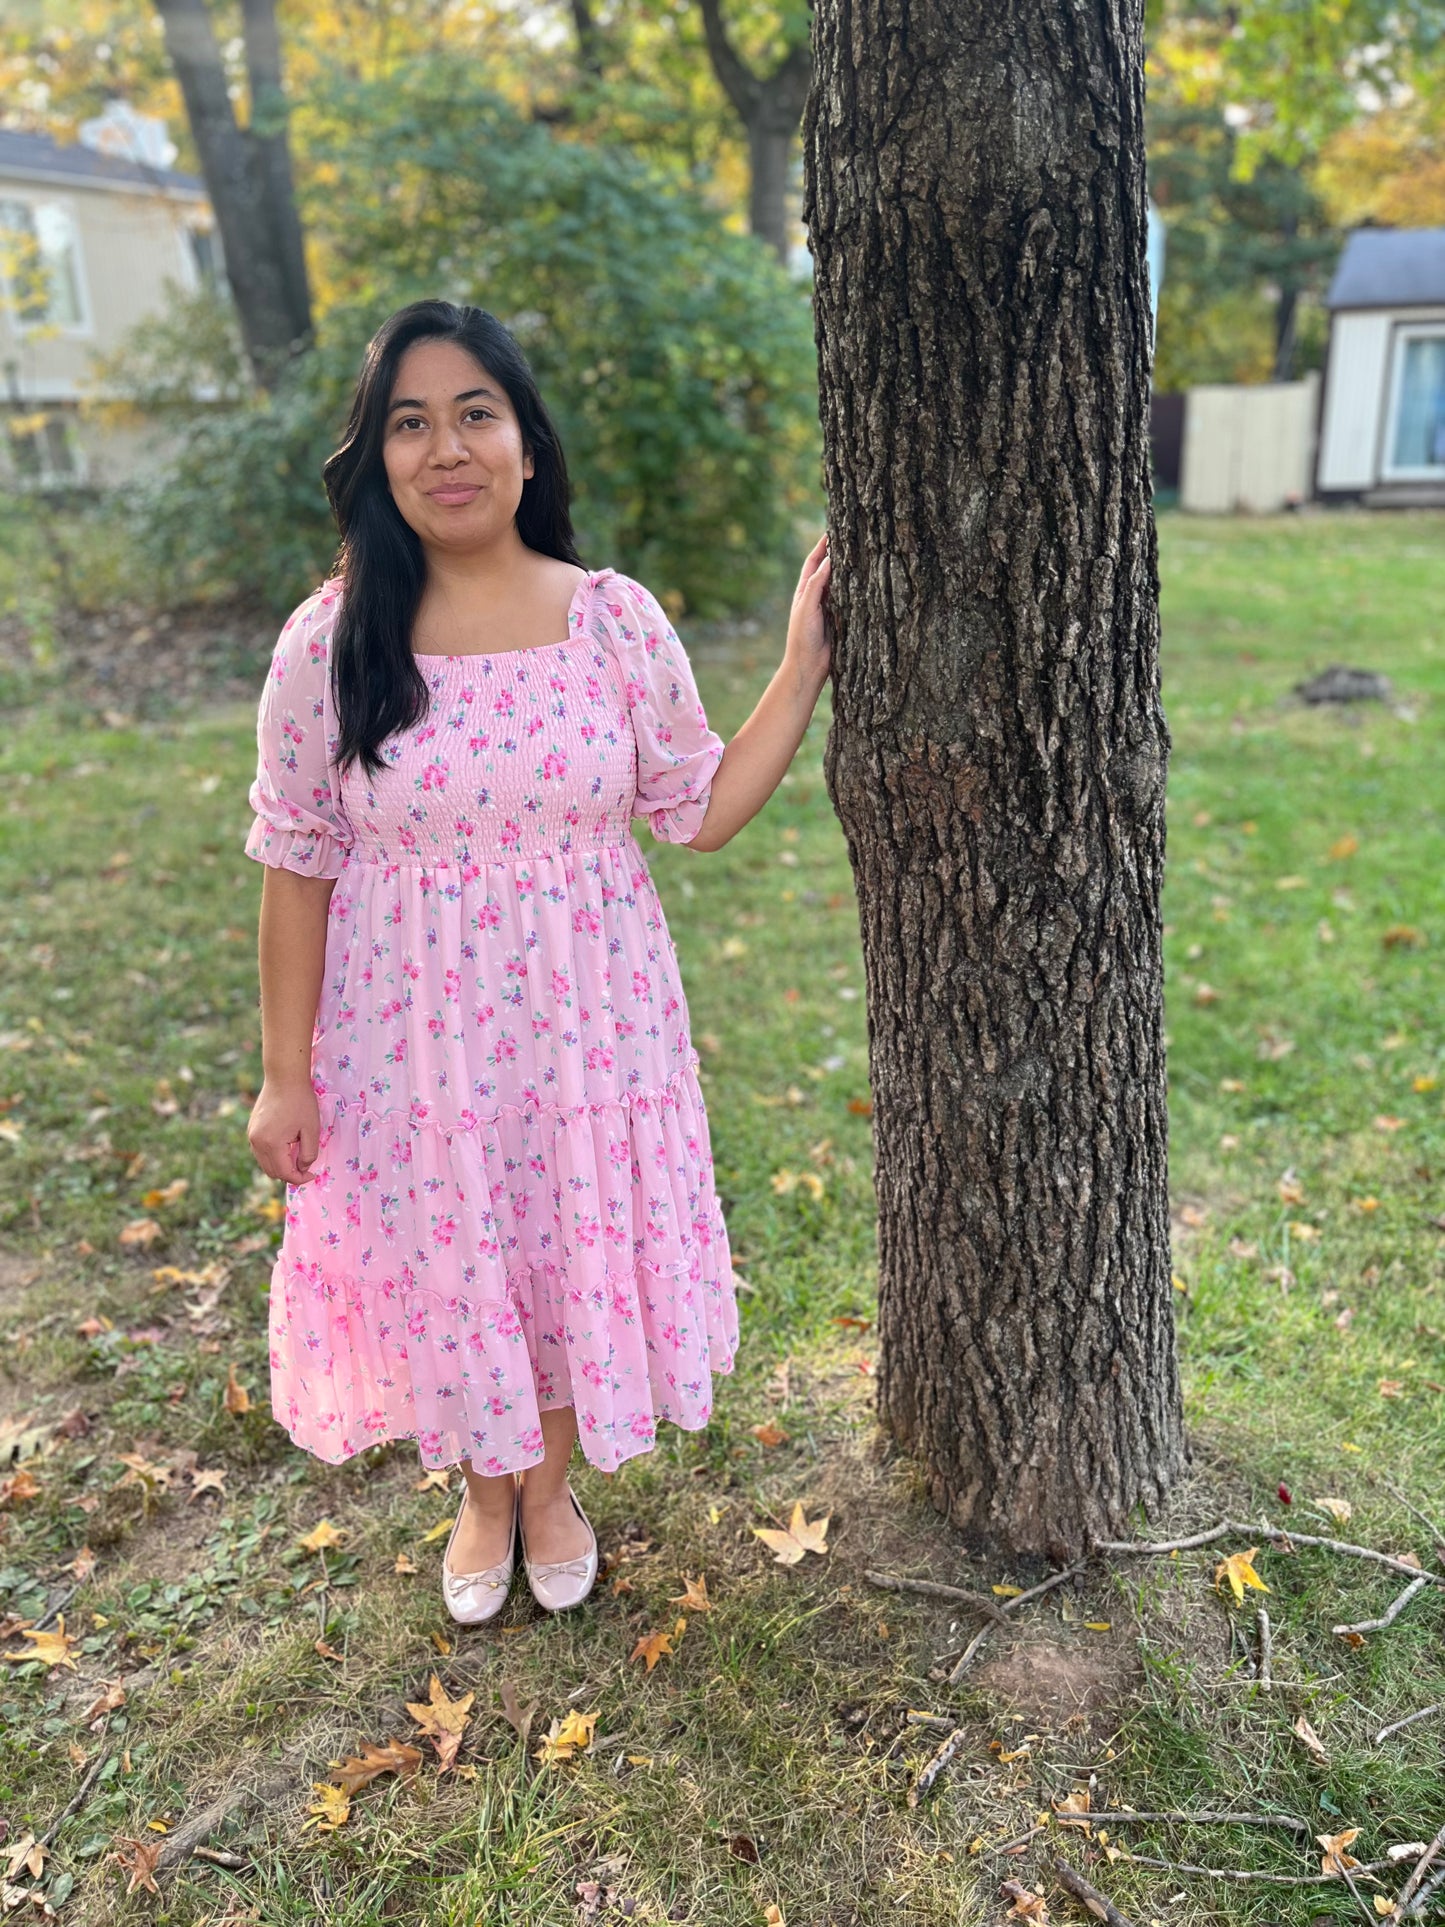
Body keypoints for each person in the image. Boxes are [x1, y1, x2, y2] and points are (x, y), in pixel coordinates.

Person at [244, 298, 833, 1624]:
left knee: (560, 1243)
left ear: (524, 445)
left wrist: (800, 665)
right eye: (409, 423)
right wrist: (286, 1076)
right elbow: (293, 864)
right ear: (377, 457)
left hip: (587, 1028)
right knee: (450, 1250)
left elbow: (697, 805)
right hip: (406, 1036)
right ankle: (481, 1489)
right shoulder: (329, 642)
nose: (443, 449)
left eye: (473, 414)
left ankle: (548, 1487)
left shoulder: (610, 621)